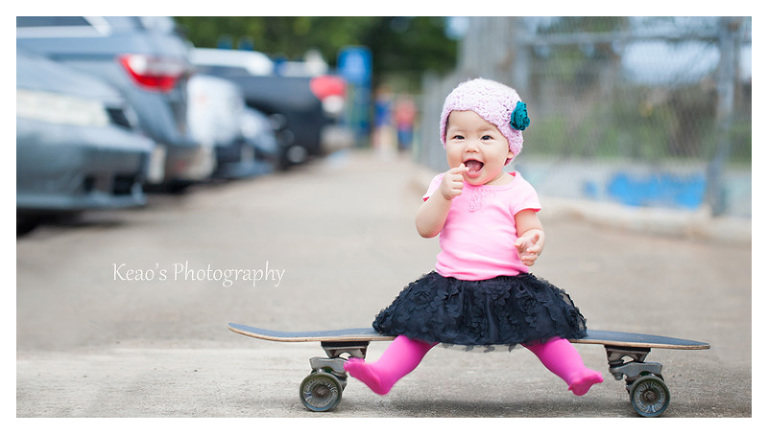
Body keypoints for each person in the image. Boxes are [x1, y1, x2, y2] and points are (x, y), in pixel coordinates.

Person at [344, 78, 603, 397]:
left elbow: (532, 228)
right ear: (445, 142)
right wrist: (442, 197)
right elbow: (426, 228)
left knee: (543, 333)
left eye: (485, 136)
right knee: (416, 334)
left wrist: (533, 242)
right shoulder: (444, 183)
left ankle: (576, 373)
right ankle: (383, 374)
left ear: (509, 148)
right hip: (450, 285)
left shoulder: (516, 188)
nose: (470, 145)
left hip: (508, 286)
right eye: (458, 136)